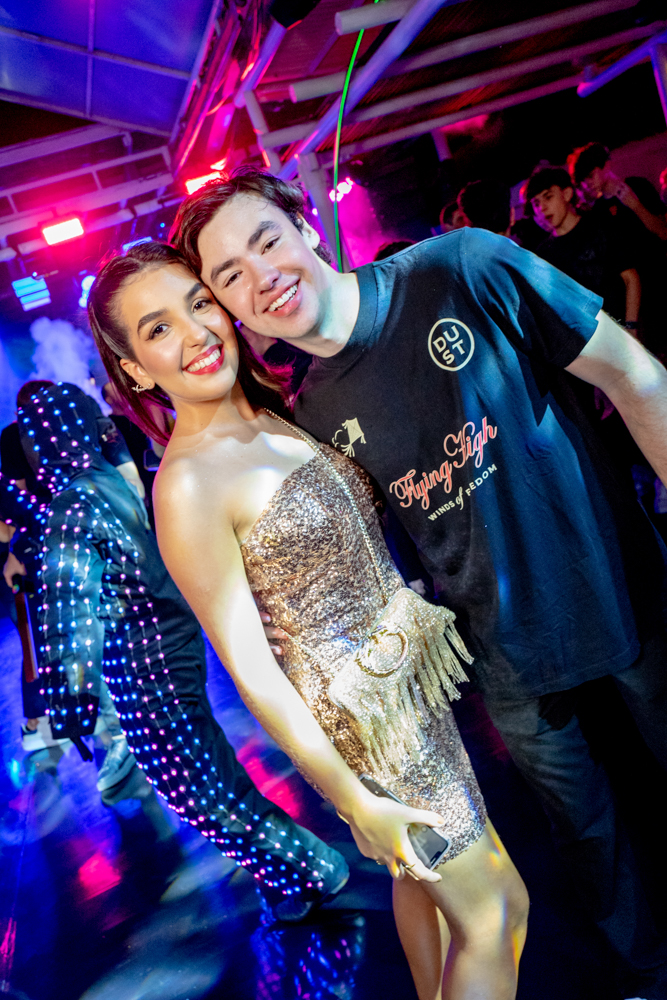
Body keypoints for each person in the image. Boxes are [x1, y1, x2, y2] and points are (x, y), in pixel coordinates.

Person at [168, 166, 667, 998]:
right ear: (228, 307)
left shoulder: (461, 266)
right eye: (230, 275)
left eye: (266, 240)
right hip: (507, 664)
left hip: (628, 599)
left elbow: (636, 377)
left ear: (307, 225)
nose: (262, 277)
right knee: (590, 844)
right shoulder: (309, 418)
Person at [89, 242, 529, 1000]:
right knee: (497, 912)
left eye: (199, 304)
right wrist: (354, 799)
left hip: (406, 697)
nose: (195, 333)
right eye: (158, 329)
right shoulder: (187, 485)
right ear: (135, 371)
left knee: (428, 894)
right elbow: (252, 669)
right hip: (366, 734)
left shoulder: (272, 415)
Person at [17, 381, 348, 920]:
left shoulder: (72, 509)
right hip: (168, 644)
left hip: (144, 665)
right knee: (204, 779)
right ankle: (287, 875)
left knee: (197, 790)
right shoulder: (105, 481)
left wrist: (71, 707)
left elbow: (66, 617)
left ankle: (309, 870)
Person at [526, 164, 641, 329]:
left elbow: (630, 278)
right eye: (536, 203)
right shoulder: (544, 254)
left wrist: (631, 326)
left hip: (620, 328)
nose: (542, 208)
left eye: (548, 197)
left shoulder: (601, 226)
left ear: (566, 194)